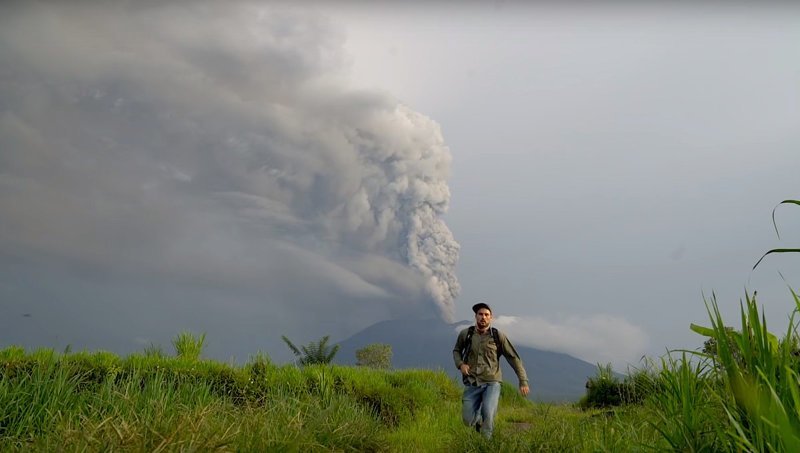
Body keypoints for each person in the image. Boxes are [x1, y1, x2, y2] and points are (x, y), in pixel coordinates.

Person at [452, 302, 530, 438]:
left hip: (492, 382)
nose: (483, 317)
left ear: (491, 318)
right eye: (480, 314)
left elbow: (513, 358)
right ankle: (478, 420)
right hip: (472, 382)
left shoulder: (498, 336)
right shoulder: (466, 334)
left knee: (488, 412)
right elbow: (457, 350)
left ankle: (486, 445)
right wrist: (461, 364)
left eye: (486, 315)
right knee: (467, 420)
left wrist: (523, 380)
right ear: (475, 316)